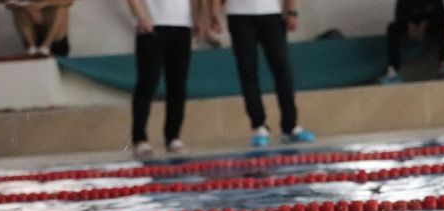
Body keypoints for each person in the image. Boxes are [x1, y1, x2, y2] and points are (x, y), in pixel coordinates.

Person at [207, 0, 315, 147]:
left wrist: (291, 12)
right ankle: (259, 126)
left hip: (271, 12)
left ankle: (290, 125)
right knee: (247, 70)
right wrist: (212, 14)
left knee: (282, 68)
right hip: (239, 14)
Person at [126, 0, 204, 158]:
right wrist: (141, 16)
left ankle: (173, 136)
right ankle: (140, 137)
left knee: (178, 84)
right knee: (148, 82)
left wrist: (196, 19)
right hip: (153, 25)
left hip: (182, 26)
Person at [379, 0, 444, 84]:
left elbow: (440, 14)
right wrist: (409, 25)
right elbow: (399, 15)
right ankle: (393, 71)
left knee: (442, 26)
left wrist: (424, 25)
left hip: (428, 25)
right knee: (392, 28)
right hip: (410, 26)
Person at [6, 0, 72, 56]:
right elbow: (9, 4)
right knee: (19, 11)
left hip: (55, 39)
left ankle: (46, 46)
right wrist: (26, 6)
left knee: (61, 9)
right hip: (33, 36)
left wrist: (45, 4)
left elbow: (69, 1)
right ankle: (31, 48)